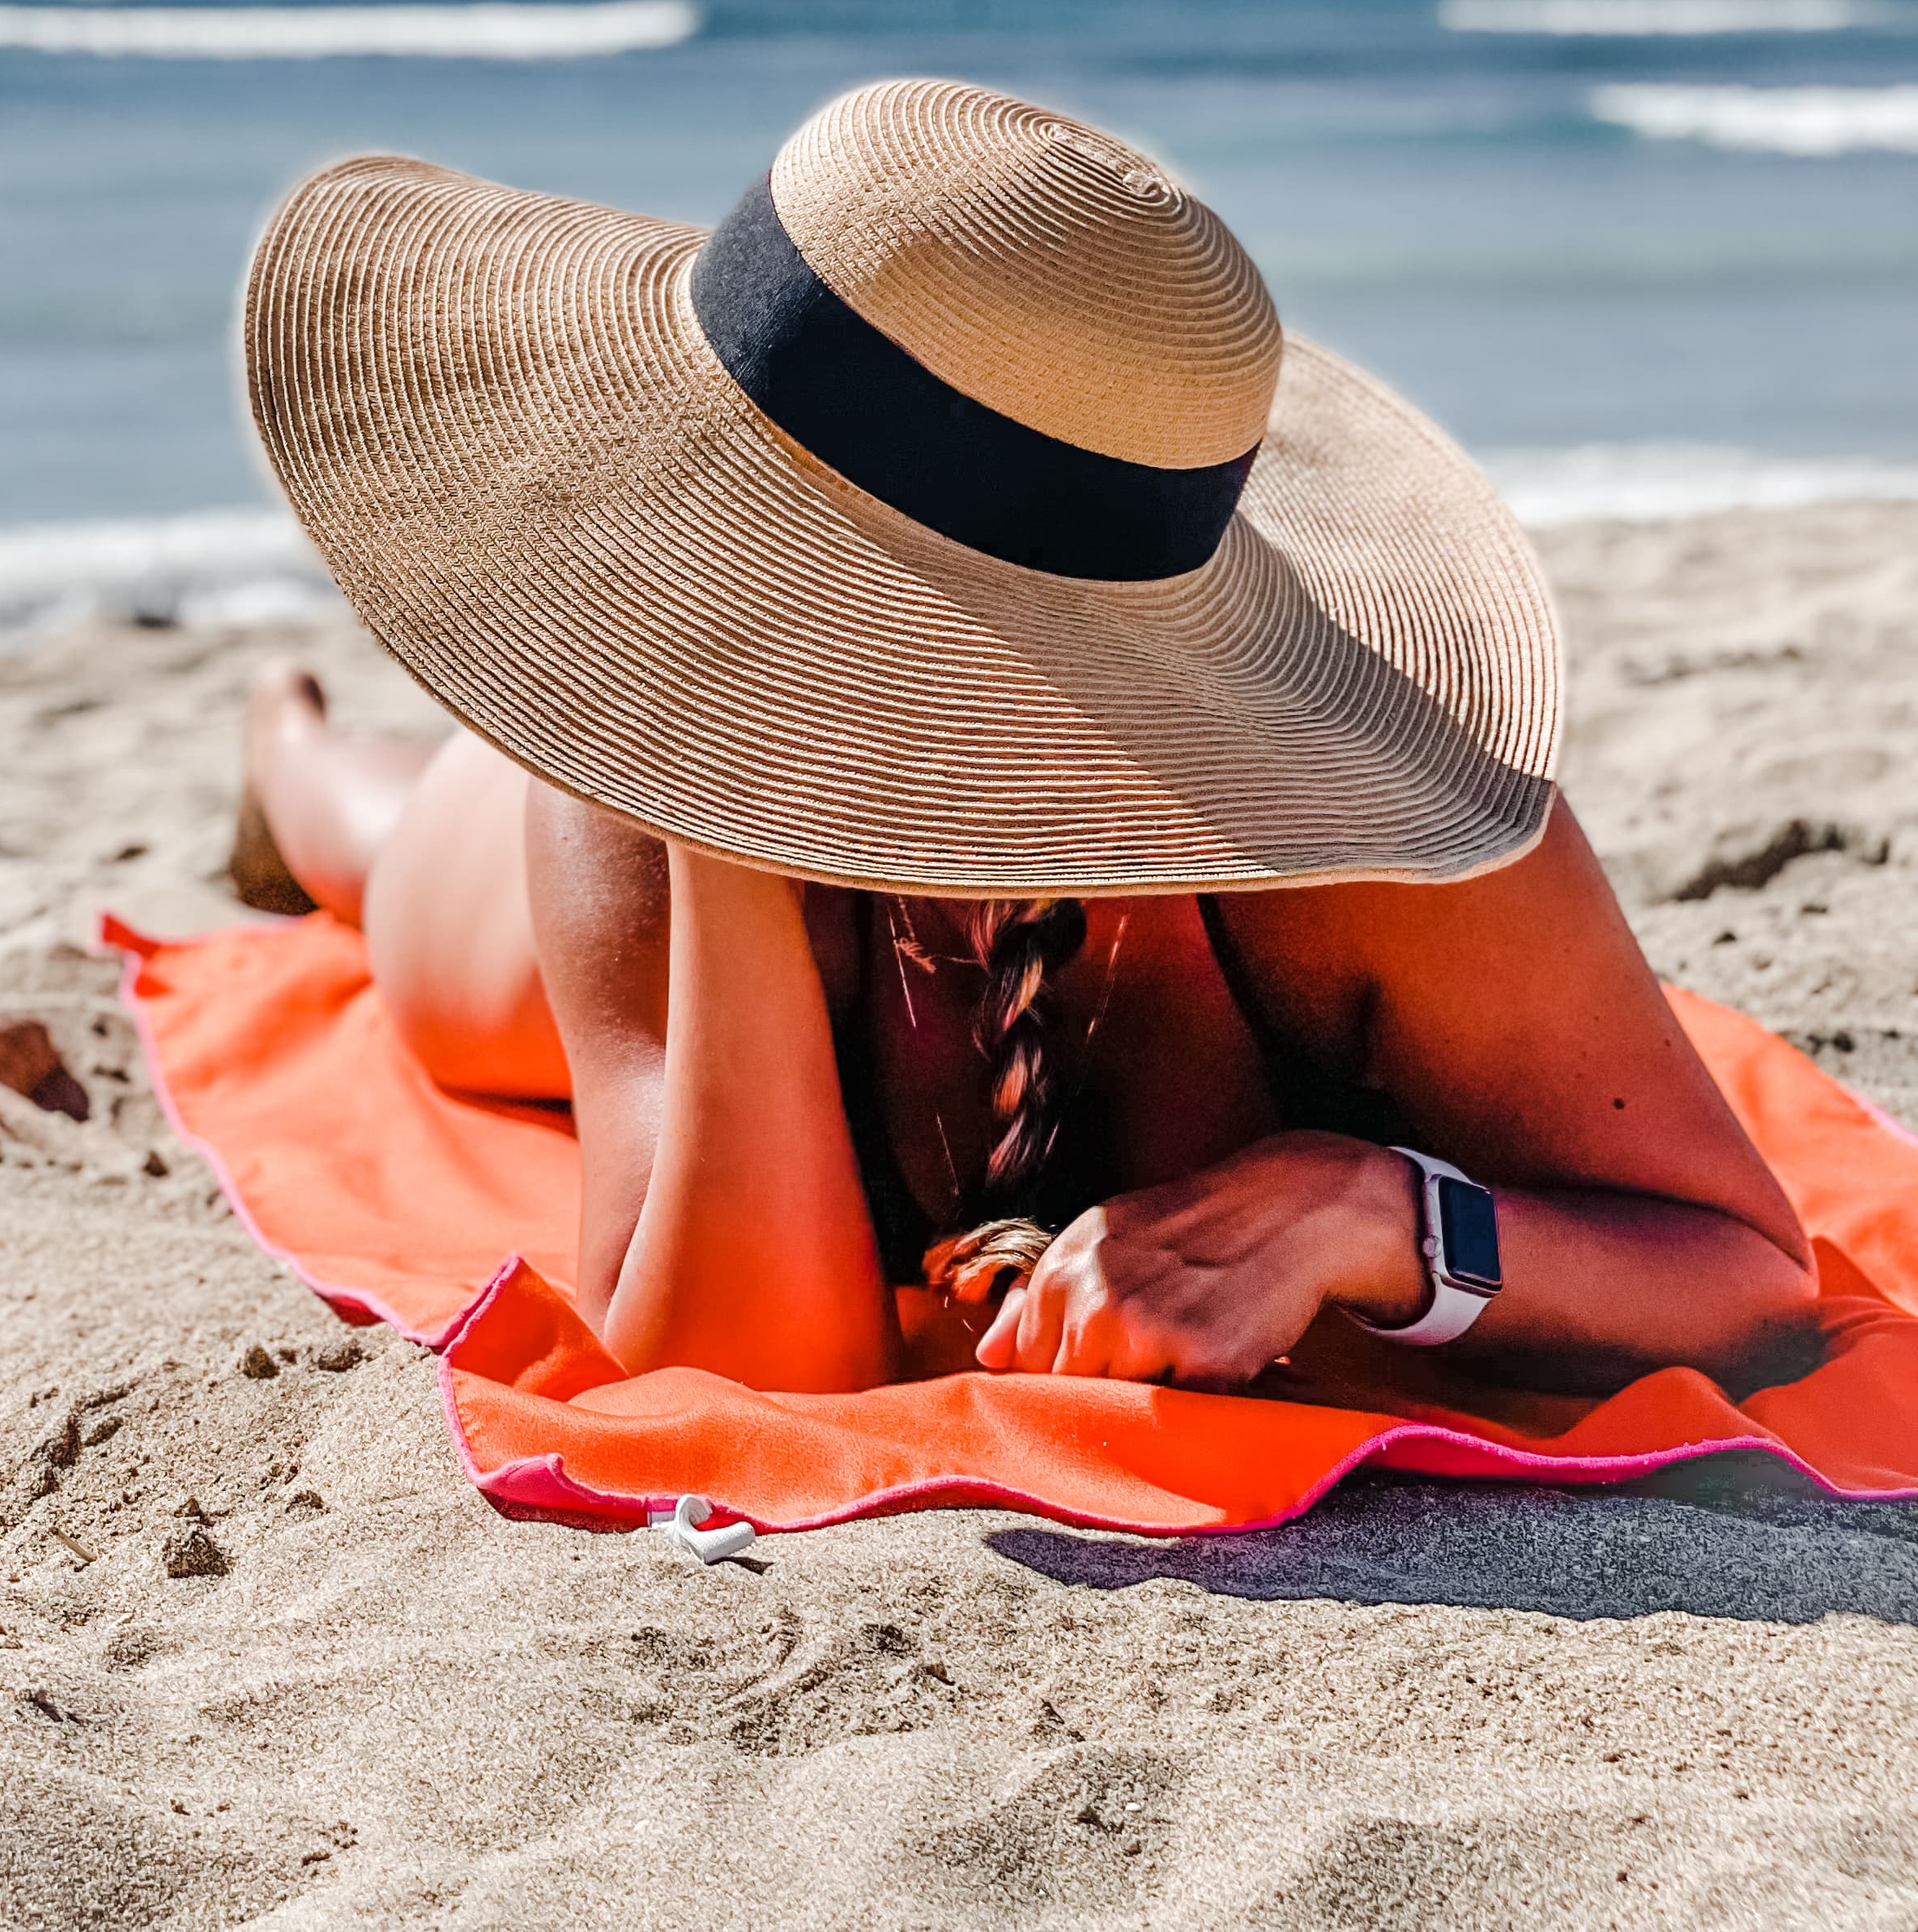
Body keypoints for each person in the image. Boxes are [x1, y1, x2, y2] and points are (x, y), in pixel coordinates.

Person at [231, 78, 1820, 1404]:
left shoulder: (1371, 824)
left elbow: (1750, 1281)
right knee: (383, 864)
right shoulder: (639, 732)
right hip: (534, 863)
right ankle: (279, 739)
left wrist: (1370, 1210)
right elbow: (738, 1376)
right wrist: (724, 782)